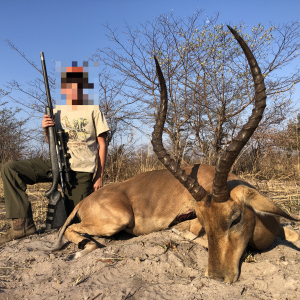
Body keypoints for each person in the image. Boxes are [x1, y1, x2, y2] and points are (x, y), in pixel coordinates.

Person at [0, 64, 109, 244]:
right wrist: (46, 129)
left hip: (80, 172)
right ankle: (21, 226)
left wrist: (99, 175)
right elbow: (52, 144)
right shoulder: (57, 110)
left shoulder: (94, 109)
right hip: (55, 164)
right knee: (10, 169)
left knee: (74, 222)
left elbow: (102, 144)